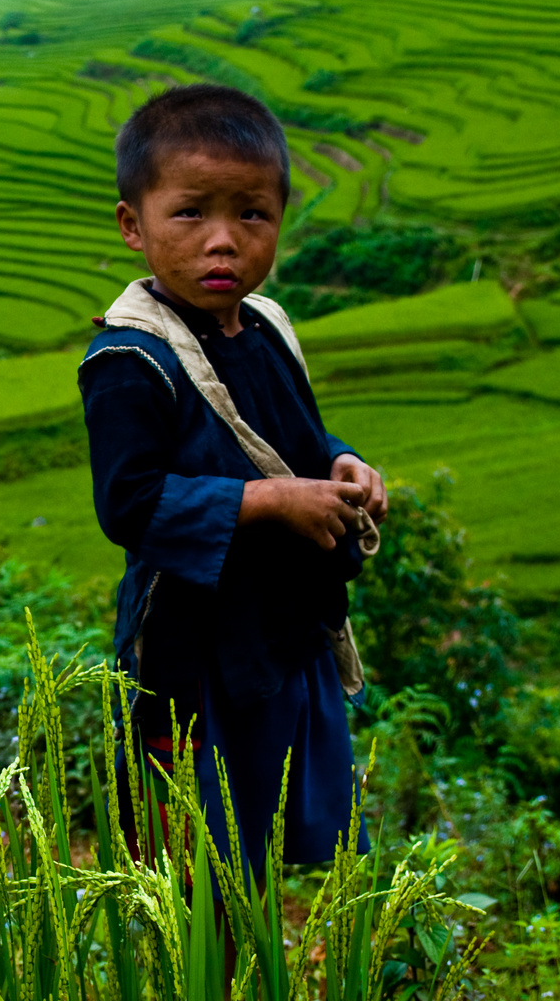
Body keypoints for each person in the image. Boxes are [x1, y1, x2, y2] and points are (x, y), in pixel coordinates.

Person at [77, 84, 388, 878]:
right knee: (202, 844)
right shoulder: (128, 362)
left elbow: (295, 439)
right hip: (196, 649)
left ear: (280, 221)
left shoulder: (265, 325)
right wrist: (272, 502)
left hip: (280, 628)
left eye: (251, 214)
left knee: (274, 810)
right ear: (131, 226)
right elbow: (130, 505)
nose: (223, 241)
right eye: (189, 214)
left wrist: (341, 463)